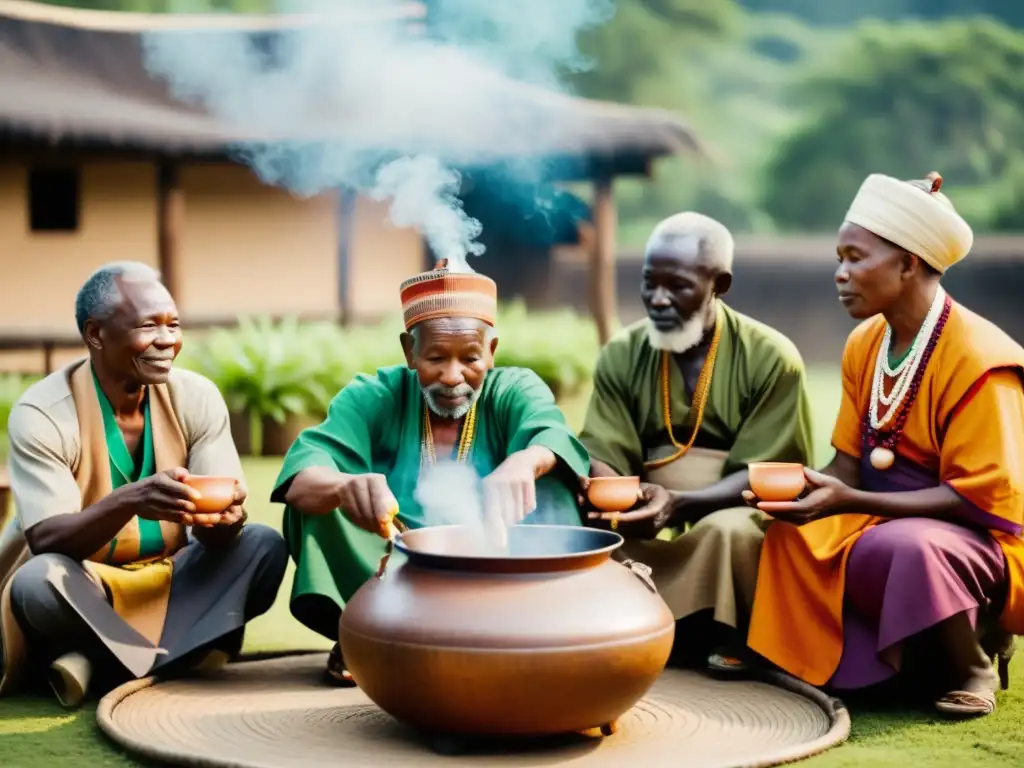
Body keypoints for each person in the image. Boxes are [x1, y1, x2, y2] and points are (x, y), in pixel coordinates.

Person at [746, 172, 1024, 718]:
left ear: (908, 264)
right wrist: (804, 493)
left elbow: (978, 500)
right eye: (838, 257)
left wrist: (851, 503)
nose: (840, 274)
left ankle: (974, 662)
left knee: (909, 549)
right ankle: (854, 667)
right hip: (881, 517)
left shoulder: (981, 358)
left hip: (976, 537)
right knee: (790, 536)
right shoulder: (866, 342)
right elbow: (849, 464)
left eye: (855, 257)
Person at [272, 259, 591, 686]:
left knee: (552, 482)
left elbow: (551, 432)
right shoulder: (376, 393)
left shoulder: (515, 387)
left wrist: (525, 461)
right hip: (393, 557)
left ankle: (529, 626)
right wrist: (346, 485)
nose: (452, 376)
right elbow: (303, 470)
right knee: (319, 501)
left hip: (496, 559)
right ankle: (365, 633)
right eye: (436, 357)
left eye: (470, 358)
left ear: (491, 352)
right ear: (409, 350)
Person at [0, 262, 288, 708]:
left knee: (263, 546)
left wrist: (226, 521)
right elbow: (46, 538)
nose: (168, 340)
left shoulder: (196, 397)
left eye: (173, 324)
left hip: (171, 580)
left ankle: (96, 662)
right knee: (37, 583)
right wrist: (131, 499)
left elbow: (215, 532)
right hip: (85, 586)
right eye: (148, 326)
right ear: (96, 334)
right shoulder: (43, 413)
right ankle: (179, 657)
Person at [578, 212, 815, 676]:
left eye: (679, 286)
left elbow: (766, 473)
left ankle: (731, 634)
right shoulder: (622, 354)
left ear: (718, 284)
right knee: (578, 524)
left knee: (730, 533)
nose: (658, 299)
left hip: (733, 505)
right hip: (649, 505)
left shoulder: (771, 356)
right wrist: (614, 498)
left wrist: (680, 504)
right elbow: (604, 450)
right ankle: (631, 624)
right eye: (650, 283)